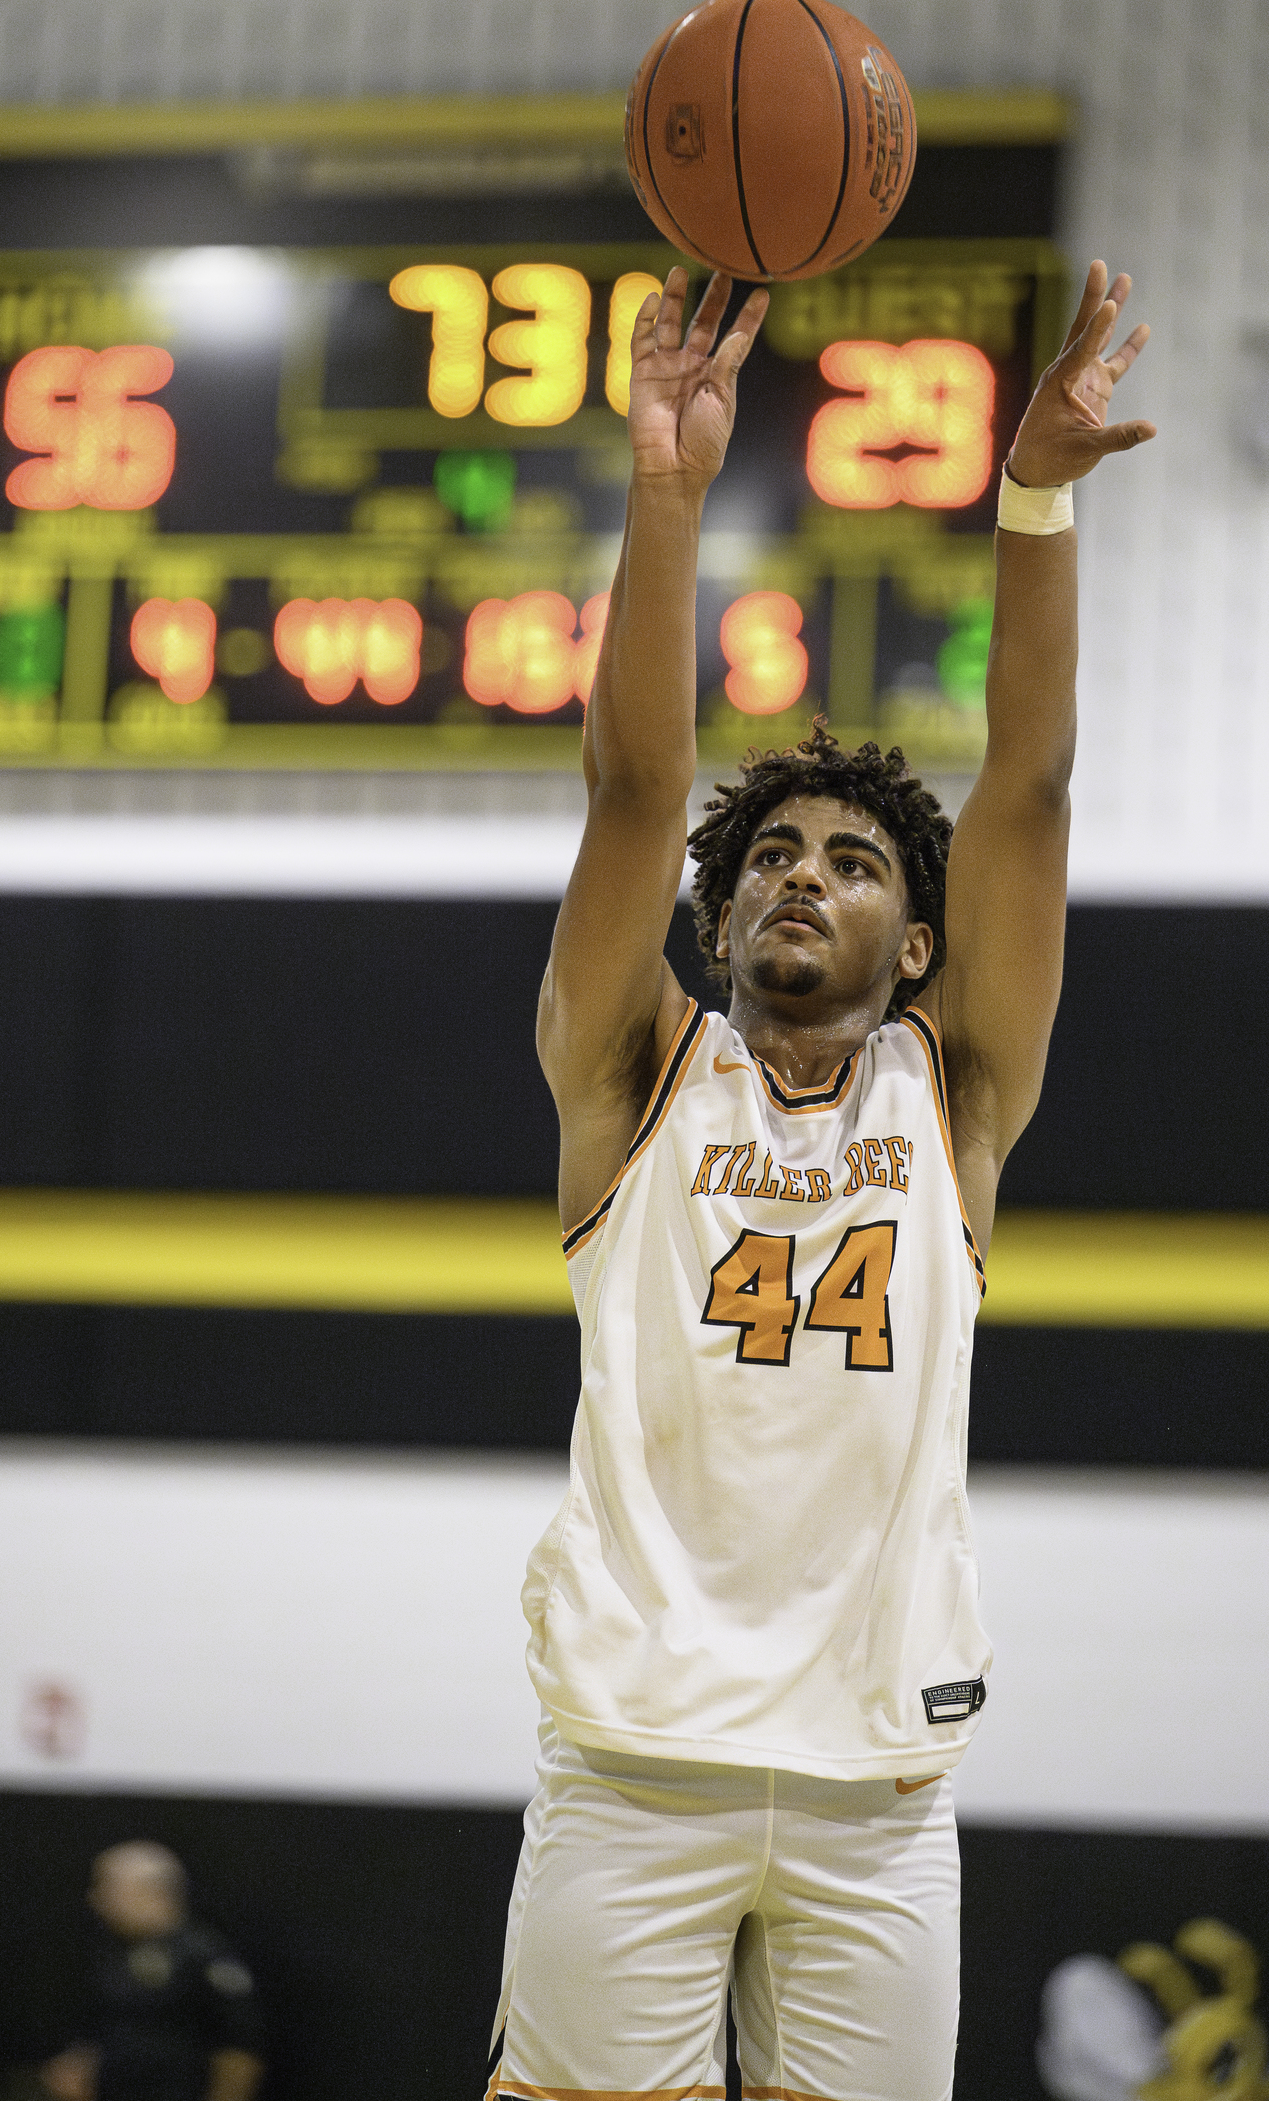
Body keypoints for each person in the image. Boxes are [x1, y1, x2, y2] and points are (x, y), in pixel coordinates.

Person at [489, 260, 1154, 2101]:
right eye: (771, 853)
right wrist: (667, 487)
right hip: (634, 1764)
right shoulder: (634, 1076)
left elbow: (1030, 786)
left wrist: (1035, 501)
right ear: (720, 914)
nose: (802, 874)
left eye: (856, 862)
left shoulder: (960, 1100)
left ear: (919, 947)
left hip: (880, 1789)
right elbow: (634, 789)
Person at [41, 1843, 263, 2101]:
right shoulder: (109, 1950)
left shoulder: (204, 1954)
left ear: (151, 1891)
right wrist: (76, 2066)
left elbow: (241, 2049)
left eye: (108, 1887)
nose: (95, 1899)